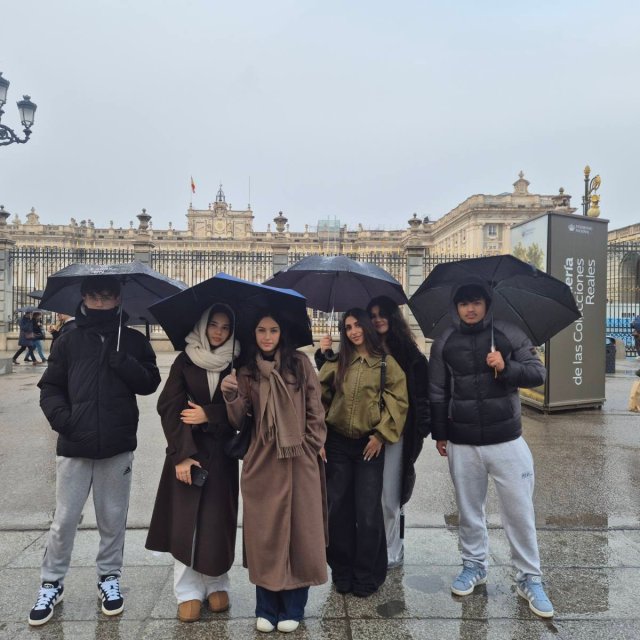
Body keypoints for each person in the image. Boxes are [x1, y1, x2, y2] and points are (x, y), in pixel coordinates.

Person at [28, 275, 161, 627]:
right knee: (65, 519)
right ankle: (51, 582)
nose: (100, 302)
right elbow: (50, 387)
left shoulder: (132, 340)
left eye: (106, 296)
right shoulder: (68, 339)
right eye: (94, 296)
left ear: (118, 299)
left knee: (112, 518)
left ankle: (109, 577)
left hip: (116, 443)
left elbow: (150, 382)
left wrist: (125, 363)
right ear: (84, 298)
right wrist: (64, 420)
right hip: (75, 442)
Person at [428, 283, 554, 618]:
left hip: (506, 438)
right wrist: (440, 433)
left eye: (476, 303)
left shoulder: (509, 333)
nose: (470, 309)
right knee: (469, 510)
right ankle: (474, 565)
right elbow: (437, 389)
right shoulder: (444, 340)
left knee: (519, 512)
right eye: (464, 304)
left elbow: (538, 373)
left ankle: (529, 577)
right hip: (462, 439)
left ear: (487, 304)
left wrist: (506, 367)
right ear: (456, 307)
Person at [221, 310, 327, 634]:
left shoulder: (300, 364)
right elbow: (238, 420)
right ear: (253, 334)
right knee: (264, 536)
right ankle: (266, 607)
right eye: (261, 330)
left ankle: (293, 606)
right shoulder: (246, 370)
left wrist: (309, 446)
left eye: (273, 330)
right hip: (263, 462)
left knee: (300, 534)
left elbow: (316, 410)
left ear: (283, 333)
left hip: (298, 461)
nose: (267, 337)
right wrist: (231, 395)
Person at [146, 304, 240, 623]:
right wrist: (181, 455)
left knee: (217, 521)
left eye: (226, 327)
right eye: (213, 324)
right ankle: (187, 590)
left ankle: (216, 582)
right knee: (186, 521)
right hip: (189, 450)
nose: (219, 332)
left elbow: (247, 411)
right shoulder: (185, 360)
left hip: (223, 454)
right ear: (203, 325)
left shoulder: (237, 362)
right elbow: (169, 406)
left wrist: (209, 414)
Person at [318, 308, 408, 597]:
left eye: (358, 325)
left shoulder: (385, 364)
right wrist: (318, 436)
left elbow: (398, 401)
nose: (354, 331)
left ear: (367, 327)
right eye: (348, 327)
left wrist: (381, 435)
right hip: (337, 444)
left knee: (368, 512)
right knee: (338, 509)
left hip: (368, 446)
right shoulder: (337, 362)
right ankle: (342, 569)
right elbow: (318, 399)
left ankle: (367, 573)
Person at [365, 295, 430, 568]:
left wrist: (421, 429)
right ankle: (373, 545)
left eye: (383, 314)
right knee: (368, 494)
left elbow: (421, 396)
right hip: (366, 432)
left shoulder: (408, 353)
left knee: (390, 495)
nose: (378, 319)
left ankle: (393, 549)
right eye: (373, 315)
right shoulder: (363, 348)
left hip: (396, 433)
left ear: (393, 316)